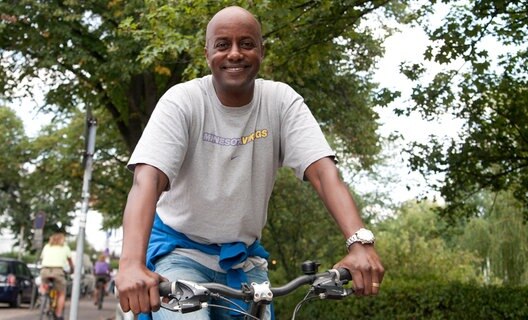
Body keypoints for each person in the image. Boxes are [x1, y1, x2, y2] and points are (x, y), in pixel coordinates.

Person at [115, 5, 385, 320]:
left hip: (243, 261)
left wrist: (360, 243)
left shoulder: (282, 102)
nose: (234, 53)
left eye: (246, 43)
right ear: (206, 54)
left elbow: (325, 175)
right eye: (222, 45)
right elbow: (147, 181)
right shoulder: (182, 102)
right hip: (180, 252)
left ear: (261, 51)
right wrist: (130, 263)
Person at [39, 232, 74, 320]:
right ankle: (58, 314)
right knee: (62, 293)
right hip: (58, 271)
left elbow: (42, 258)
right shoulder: (65, 248)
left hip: (45, 270)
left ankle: (43, 299)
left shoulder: (47, 246)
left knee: (44, 285)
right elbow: (70, 261)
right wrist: (72, 270)